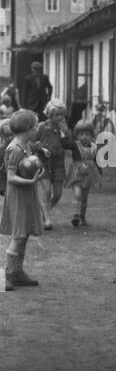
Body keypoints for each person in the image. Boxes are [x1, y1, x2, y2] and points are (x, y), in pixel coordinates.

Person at [0, 110, 45, 291]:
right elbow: (11, 178)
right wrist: (31, 180)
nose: (37, 129)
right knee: (19, 235)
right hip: (18, 196)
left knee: (24, 233)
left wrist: (40, 153)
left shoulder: (25, 146)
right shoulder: (15, 149)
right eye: (35, 126)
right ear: (26, 128)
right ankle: (9, 274)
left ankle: (18, 272)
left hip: (26, 194)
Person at [34, 99, 68, 230]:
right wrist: (42, 149)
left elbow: (67, 144)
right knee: (47, 190)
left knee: (58, 194)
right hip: (44, 163)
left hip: (58, 164)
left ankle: (44, 211)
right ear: (49, 114)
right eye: (56, 115)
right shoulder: (42, 126)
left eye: (61, 114)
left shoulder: (63, 127)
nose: (59, 117)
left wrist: (64, 132)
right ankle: (47, 219)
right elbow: (33, 143)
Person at [62, 119, 102, 227]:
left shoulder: (94, 147)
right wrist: (64, 132)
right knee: (77, 194)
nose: (84, 136)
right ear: (77, 135)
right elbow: (64, 144)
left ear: (91, 135)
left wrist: (99, 172)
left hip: (89, 175)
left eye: (87, 134)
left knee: (84, 198)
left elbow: (97, 160)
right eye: (81, 134)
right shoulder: (75, 145)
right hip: (76, 174)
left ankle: (82, 217)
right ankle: (76, 215)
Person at [0, 118, 14, 195]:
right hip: (4, 181)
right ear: (2, 136)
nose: (10, 138)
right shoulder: (2, 150)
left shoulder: (17, 147)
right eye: (7, 136)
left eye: (12, 135)